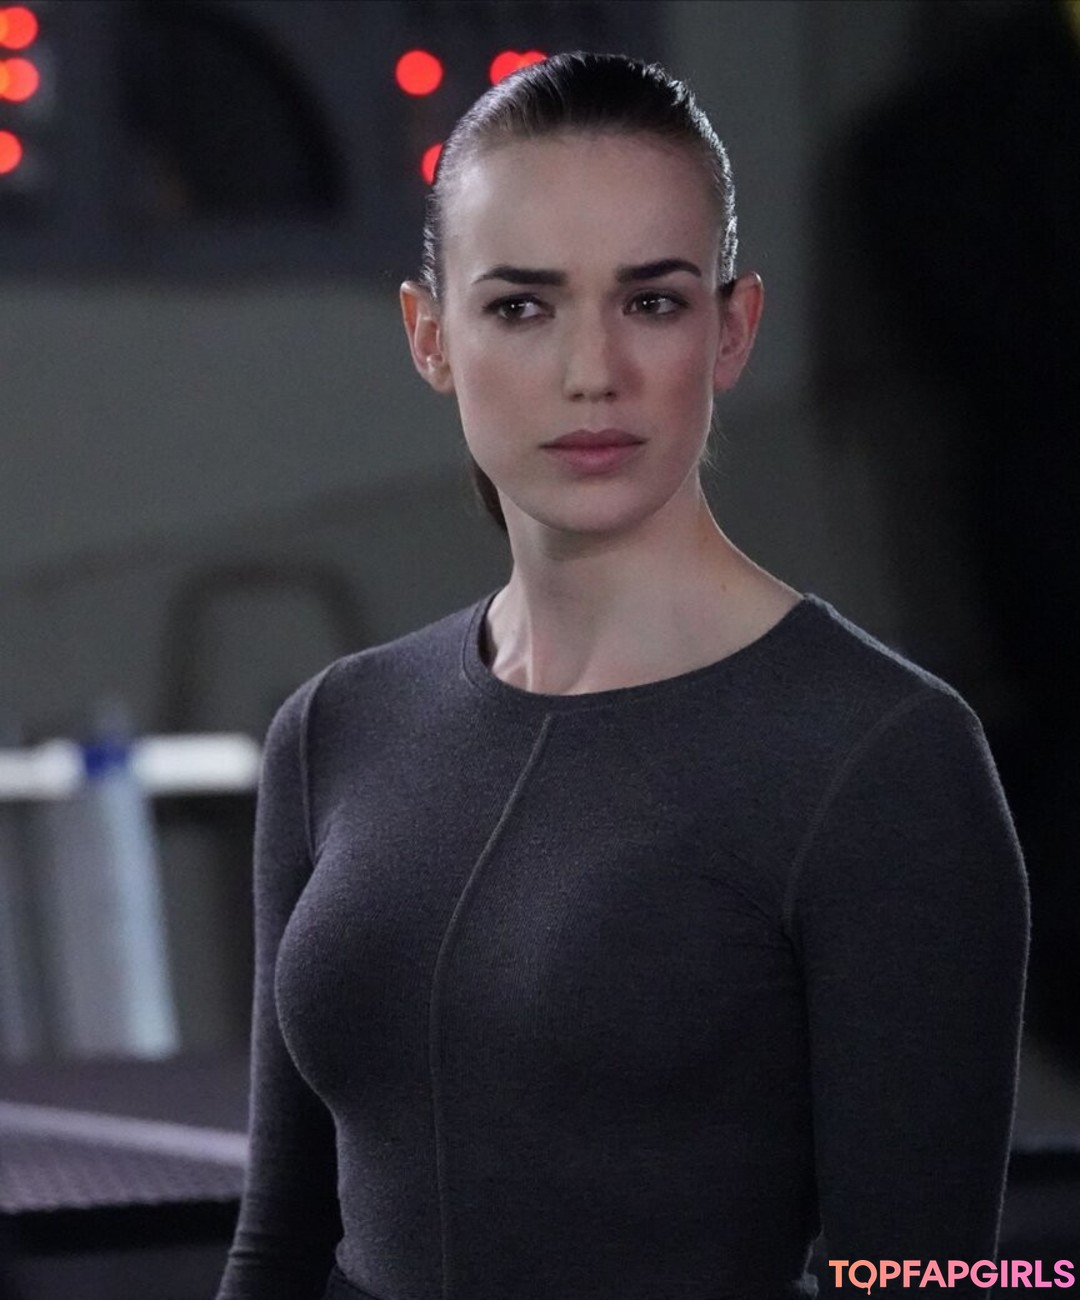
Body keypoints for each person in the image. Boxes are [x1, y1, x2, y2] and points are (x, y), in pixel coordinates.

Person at [215, 51, 1029, 1300]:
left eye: (651, 301)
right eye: (522, 307)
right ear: (431, 336)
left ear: (731, 329)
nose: (593, 369)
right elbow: (278, 1241)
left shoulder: (880, 759)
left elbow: (919, 1280)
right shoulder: (338, 729)